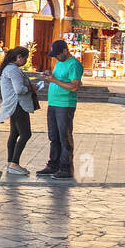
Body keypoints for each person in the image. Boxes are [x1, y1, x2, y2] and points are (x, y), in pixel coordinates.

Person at [36, 39, 83, 179]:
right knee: (53, 136)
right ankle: (53, 165)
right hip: (53, 103)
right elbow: (61, 79)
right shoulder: (59, 62)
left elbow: (75, 86)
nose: (56, 57)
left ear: (65, 51)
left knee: (64, 137)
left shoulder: (74, 64)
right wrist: (50, 76)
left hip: (65, 104)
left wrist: (54, 80)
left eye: (58, 54)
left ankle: (66, 168)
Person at [0, 46, 36, 175]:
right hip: (18, 105)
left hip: (12, 105)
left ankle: (10, 163)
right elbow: (19, 89)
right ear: (19, 57)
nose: (26, 61)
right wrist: (31, 88)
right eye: (25, 58)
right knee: (25, 134)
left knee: (14, 134)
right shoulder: (13, 70)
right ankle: (14, 163)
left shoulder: (8, 68)